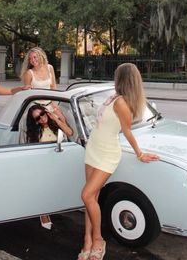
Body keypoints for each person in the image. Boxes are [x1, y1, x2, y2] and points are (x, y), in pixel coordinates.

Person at [79, 63, 160, 260]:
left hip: (107, 153)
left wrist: (139, 153)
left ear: (123, 78)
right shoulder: (112, 97)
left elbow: (127, 130)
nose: (114, 77)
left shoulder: (122, 103)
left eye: (116, 75)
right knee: (93, 198)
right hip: (93, 149)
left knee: (86, 195)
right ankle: (87, 241)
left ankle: (98, 239)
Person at [21, 47, 62, 230]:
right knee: (40, 160)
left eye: (35, 56)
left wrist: (56, 110)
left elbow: (54, 91)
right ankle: (42, 211)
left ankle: (55, 197)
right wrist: (40, 116)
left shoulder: (51, 68)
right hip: (37, 117)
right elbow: (28, 98)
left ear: (42, 56)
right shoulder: (29, 73)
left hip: (51, 113)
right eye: (31, 58)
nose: (33, 60)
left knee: (58, 152)